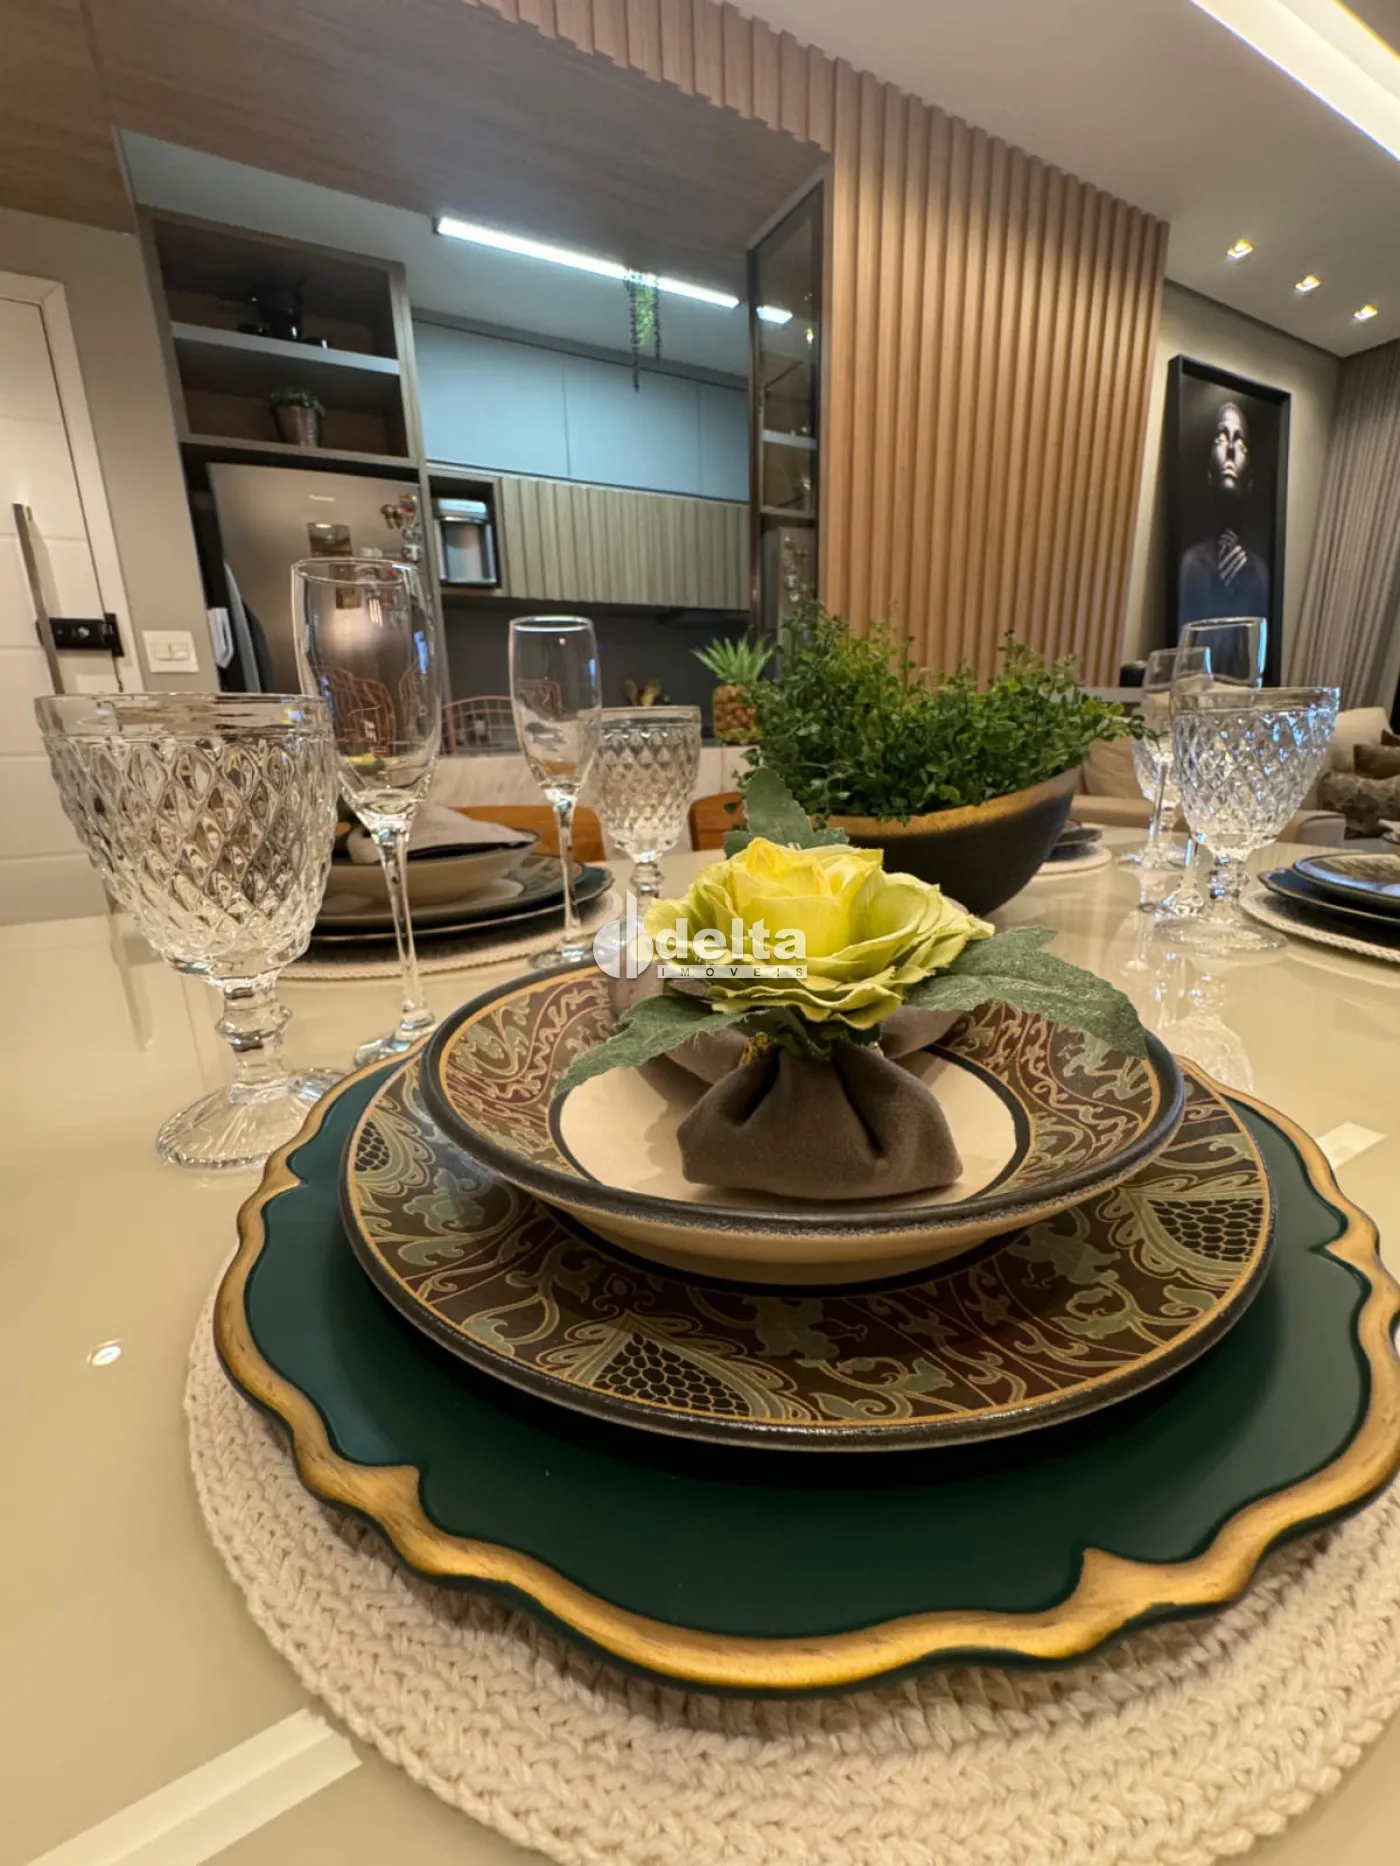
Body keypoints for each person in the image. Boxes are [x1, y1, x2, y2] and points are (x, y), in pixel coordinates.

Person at [1178, 399, 1270, 624]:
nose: (1230, 449)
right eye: (1221, 438)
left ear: (1250, 480)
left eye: (1240, 443)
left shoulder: (1259, 573)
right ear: (1209, 472)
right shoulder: (1190, 564)